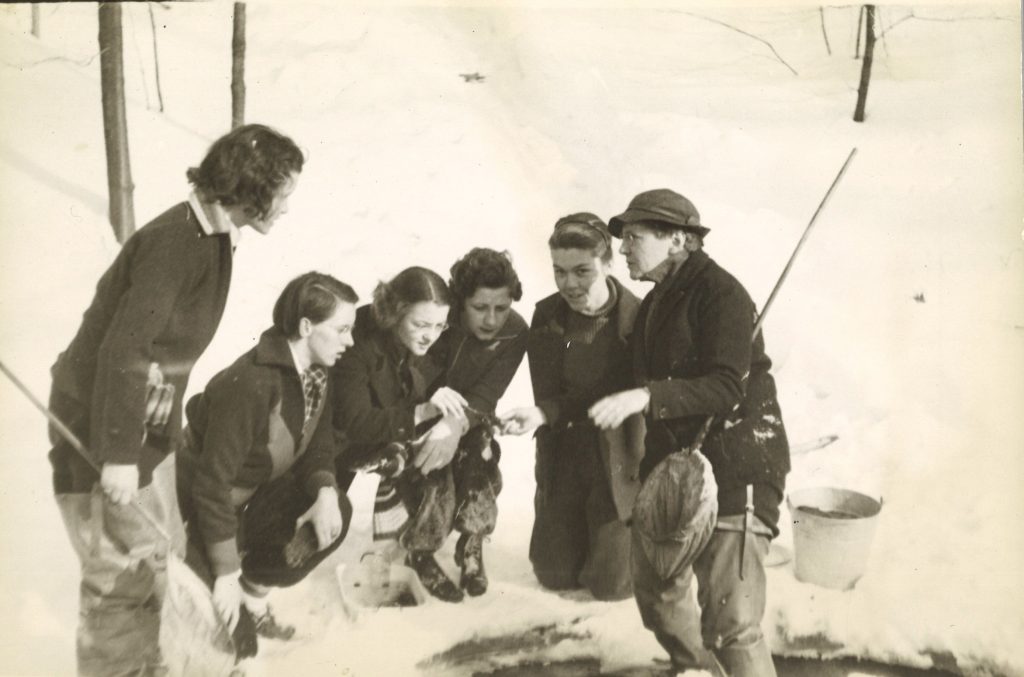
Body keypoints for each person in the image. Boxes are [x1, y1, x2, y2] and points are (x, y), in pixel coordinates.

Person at [47, 123, 303, 676]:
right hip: (99, 428)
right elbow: (125, 347)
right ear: (252, 186)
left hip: (141, 427)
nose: (286, 207)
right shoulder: (175, 243)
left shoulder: (208, 236)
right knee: (120, 576)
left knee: (153, 562)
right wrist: (117, 453)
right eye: (283, 193)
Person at [588, 189, 790, 676]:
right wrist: (549, 413)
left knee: (732, 621)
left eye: (634, 238)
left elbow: (726, 386)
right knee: (658, 595)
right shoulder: (657, 303)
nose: (624, 249)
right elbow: (626, 383)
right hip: (679, 473)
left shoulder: (721, 295)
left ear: (677, 239)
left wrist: (648, 397)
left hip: (737, 466)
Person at [176, 272, 357, 653]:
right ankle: (221, 578)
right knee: (233, 647)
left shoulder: (319, 370)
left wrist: (325, 490)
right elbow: (210, 485)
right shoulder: (252, 383)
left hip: (252, 496)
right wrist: (224, 571)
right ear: (307, 326)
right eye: (341, 330)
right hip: (202, 508)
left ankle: (253, 593)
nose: (350, 341)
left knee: (335, 508)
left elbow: (317, 441)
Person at [500, 213, 645, 601]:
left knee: (610, 586)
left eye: (582, 271)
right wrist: (539, 413)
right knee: (554, 575)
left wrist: (550, 410)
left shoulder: (640, 319)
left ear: (609, 263)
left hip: (618, 459)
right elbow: (552, 393)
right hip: (565, 456)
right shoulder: (547, 316)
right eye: (559, 272)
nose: (570, 284)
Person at [331, 266, 468, 602]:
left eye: (439, 325)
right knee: (308, 535)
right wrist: (421, 412)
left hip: (391, 431)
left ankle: (419, 549)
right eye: (420, 325)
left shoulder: (431, 340)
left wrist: (443, 422)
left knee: (447, 445)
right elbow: (354, 421)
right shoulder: (357, 340)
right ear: (393, 312)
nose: (430, 335)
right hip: (338, 446)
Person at [421, 247, 528, 596]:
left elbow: (487, 394)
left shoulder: (515, 332)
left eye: (502, 308)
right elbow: (416, 381)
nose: (492, 320)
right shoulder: (439, 321)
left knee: (480, 459)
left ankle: (472, 540)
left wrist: (457, 425)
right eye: (480, 308)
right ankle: (419, 551)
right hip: (423, 413)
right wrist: (438, 424)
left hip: (470, 417)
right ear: (460, 302)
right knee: (431, 470)